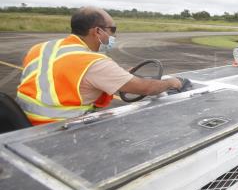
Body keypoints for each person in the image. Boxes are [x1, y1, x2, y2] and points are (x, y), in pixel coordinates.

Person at [16, 7, 184, 125]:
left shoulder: (40, 48)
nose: (114, 35)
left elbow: (58, 78)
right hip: (58, 128)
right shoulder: (93, 62)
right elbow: (145, 88)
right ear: (97, 31)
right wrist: (172, 82)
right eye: (112, 29)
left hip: (22, 124)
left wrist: (118, 76)